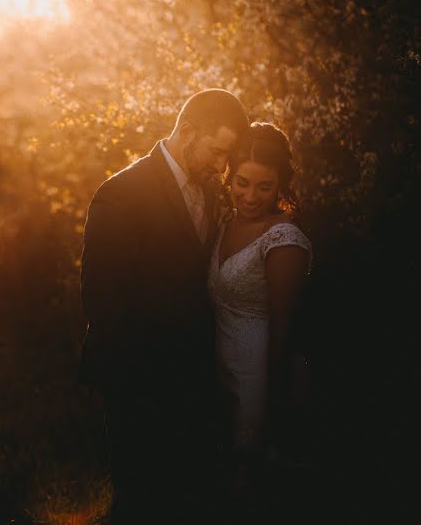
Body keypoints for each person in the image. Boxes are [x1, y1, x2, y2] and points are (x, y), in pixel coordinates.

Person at [79, 88, 250, 522]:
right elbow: (104, 301)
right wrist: (135, 386)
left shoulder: (212, 192)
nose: (221, 166)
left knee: (188, 498)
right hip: (137, 378)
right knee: (140, 500)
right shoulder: (121, 193)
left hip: (194, 378)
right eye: (217, 151)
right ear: (187, 132)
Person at [207, 122, 312, 515]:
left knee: (249, 489)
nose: (250, 196)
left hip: (258, 373)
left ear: (280, 184)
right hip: (220, 365)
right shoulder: (223, 222)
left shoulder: (283, 239)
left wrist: (274, 400)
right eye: (242, 182)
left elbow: (286, 329)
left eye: (264, 186)